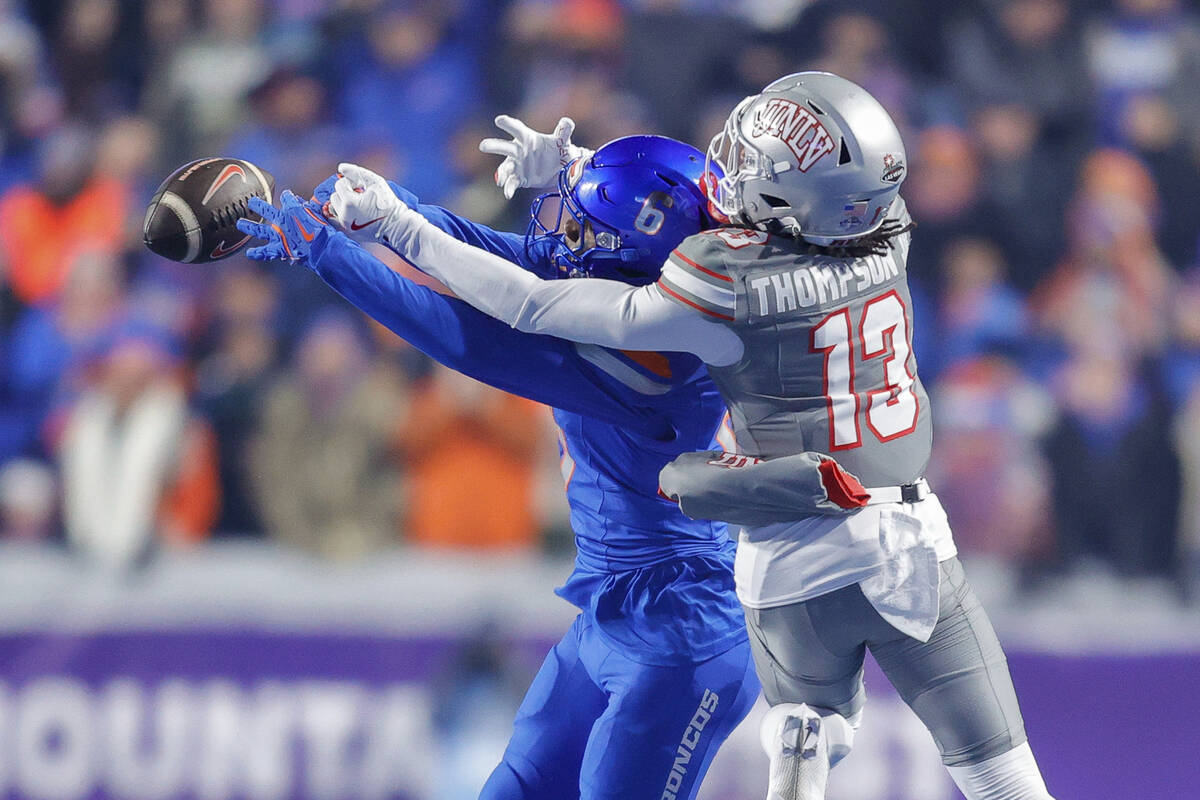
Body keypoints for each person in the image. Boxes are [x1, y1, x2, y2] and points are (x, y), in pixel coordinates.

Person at [318, 74, 1057, 800]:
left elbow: (524, 310)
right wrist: (578, 175)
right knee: (999, 774)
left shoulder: (702, 306)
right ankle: (812, 734)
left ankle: (808, 732)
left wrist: (380, 232)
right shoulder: (881, 233)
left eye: (751, 168)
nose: (727, 176)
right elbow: (650, 231)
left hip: (732, 590)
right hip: (887, 536)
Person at [238, 133, 791, 800]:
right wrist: (393, 210)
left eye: (590, 227)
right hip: (617, 611)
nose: (568, 237)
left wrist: (343, 248)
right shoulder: (649, 282)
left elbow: (481, 334)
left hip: (682, 635)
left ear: (642, 248)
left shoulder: (665, 357)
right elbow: (520, 263)